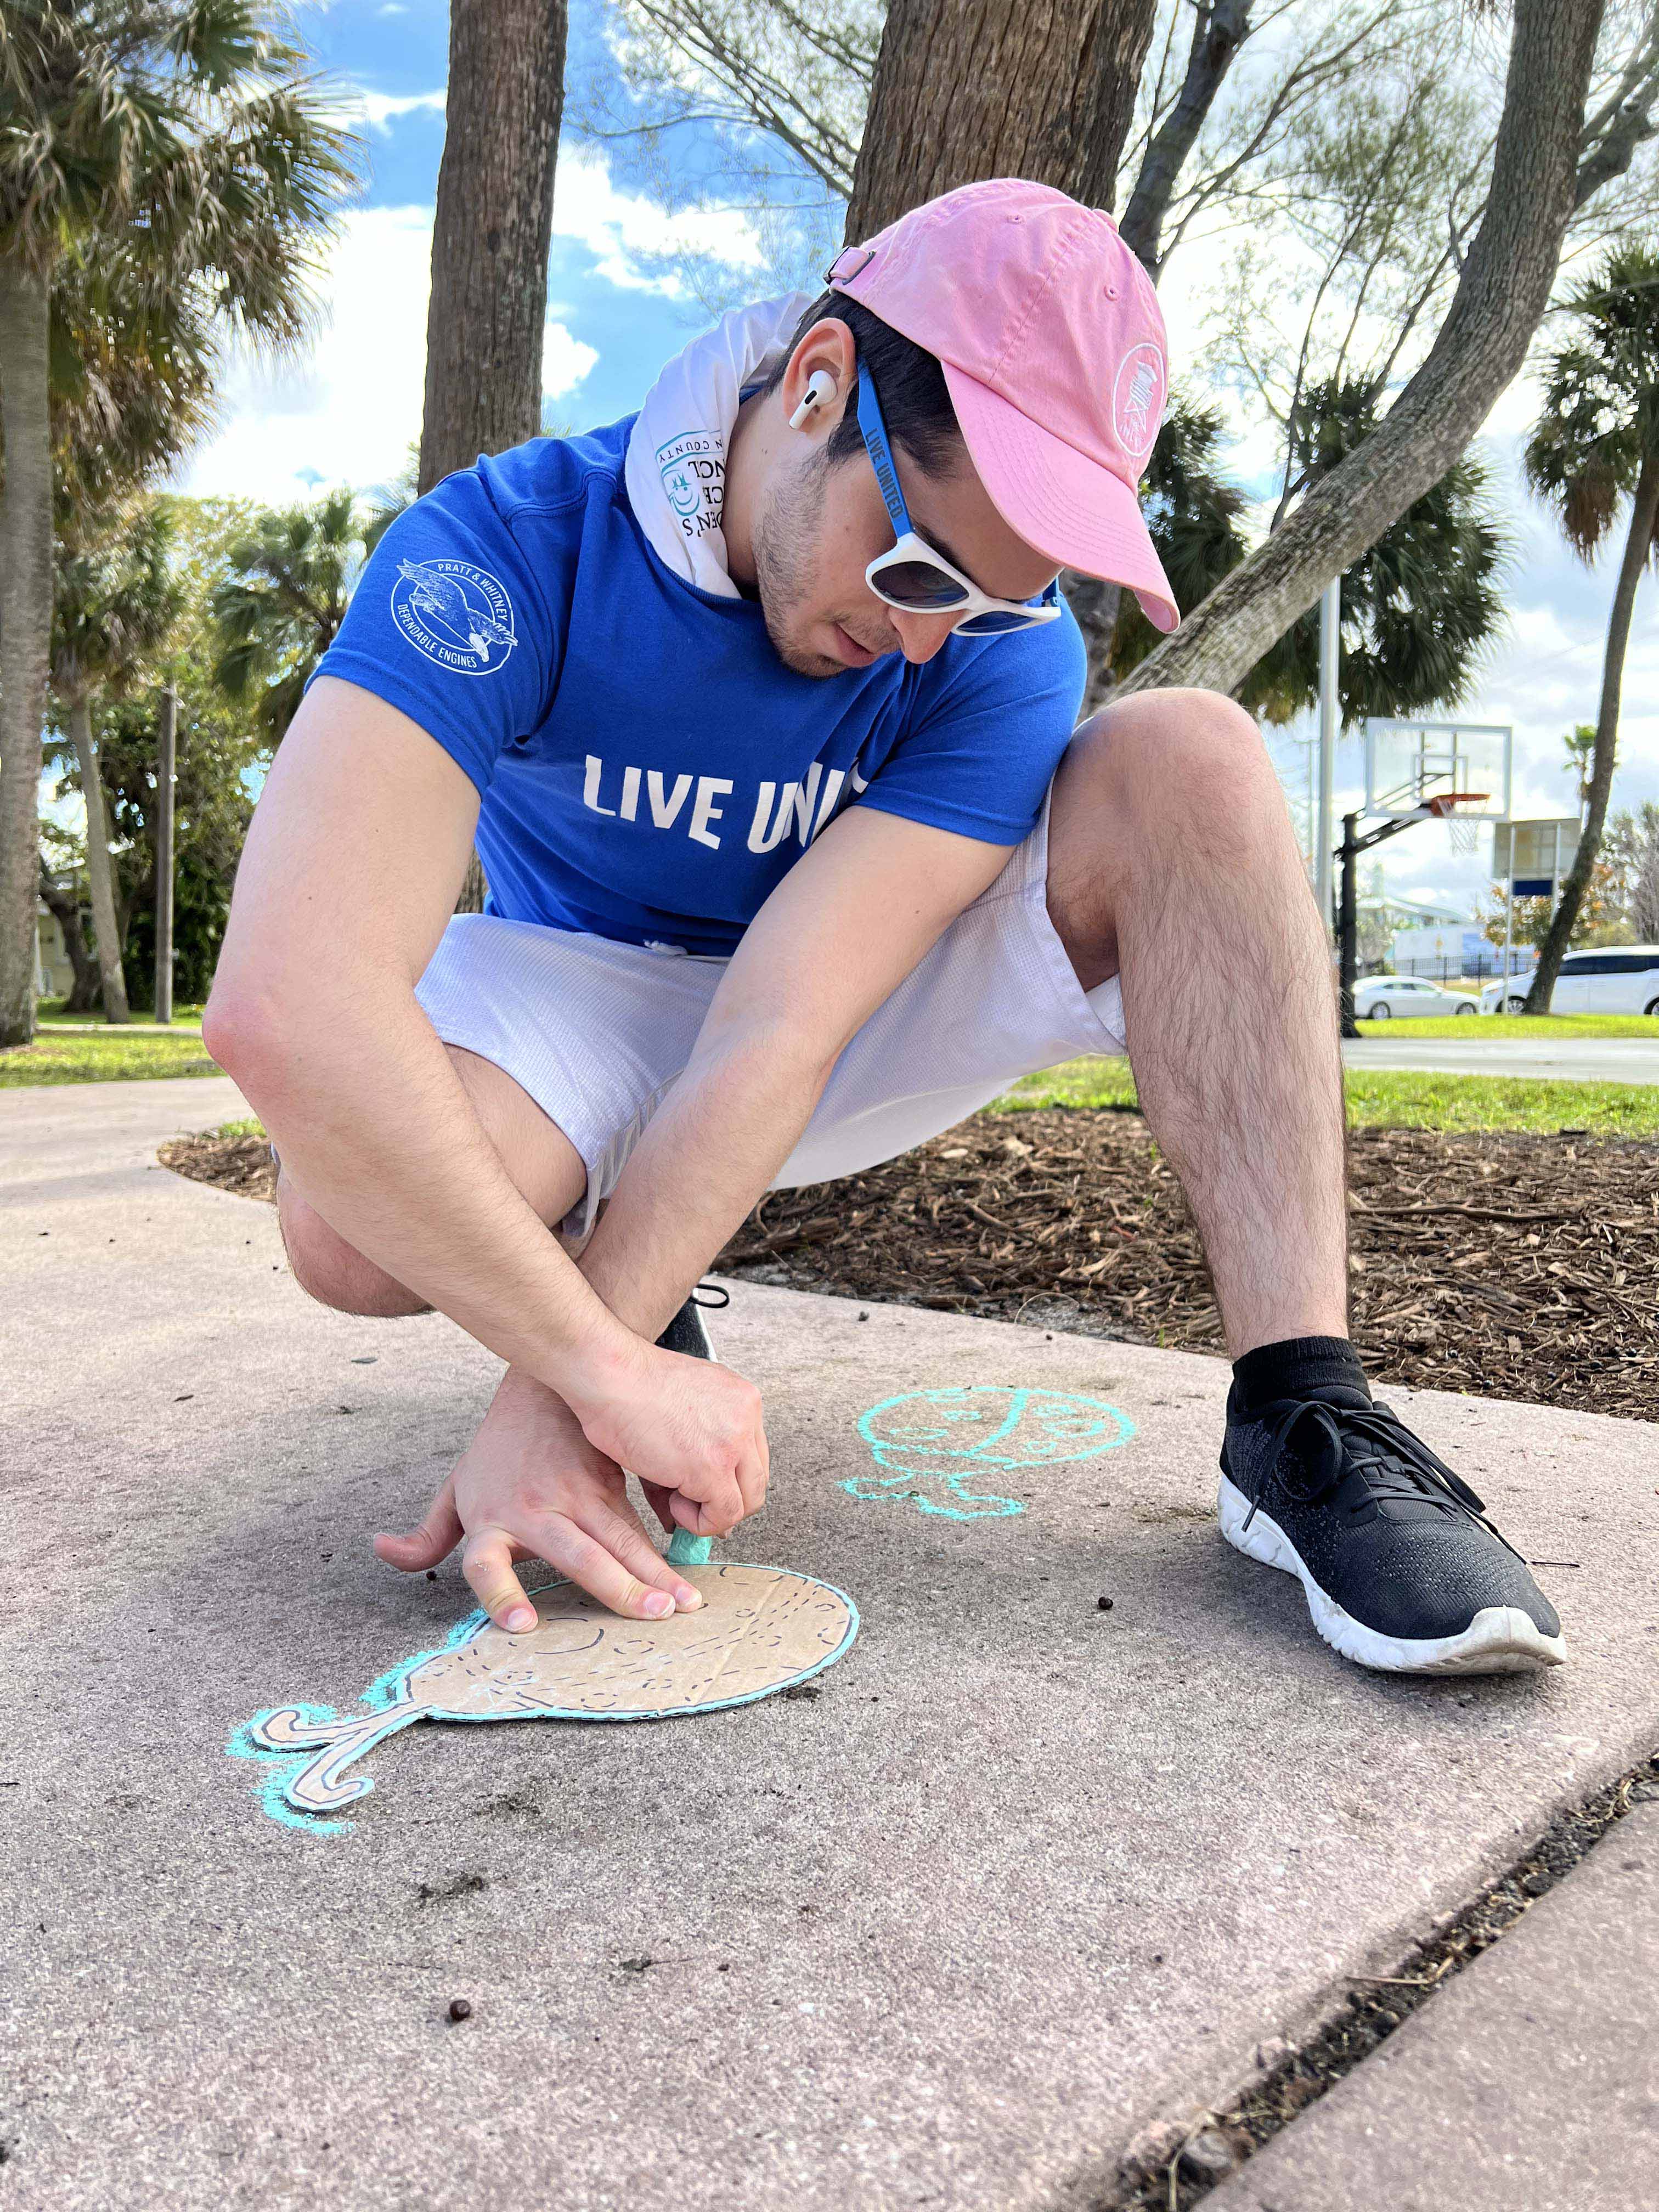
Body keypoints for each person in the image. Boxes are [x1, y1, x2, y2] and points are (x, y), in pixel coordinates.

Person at [206, 178, 1564, 1678]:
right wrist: (595, 1363)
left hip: (844, 1006)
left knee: (1192, 756)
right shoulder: (506, 549)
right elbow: (287, 1002)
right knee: (343, 1221)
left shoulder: (990, 644)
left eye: (990, 603)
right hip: (583, 984)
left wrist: (558, 1396)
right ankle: (620, 1289)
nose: (927, 637)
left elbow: (783, 1018)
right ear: (816, 385)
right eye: (918, 568)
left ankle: (1308, 1416)